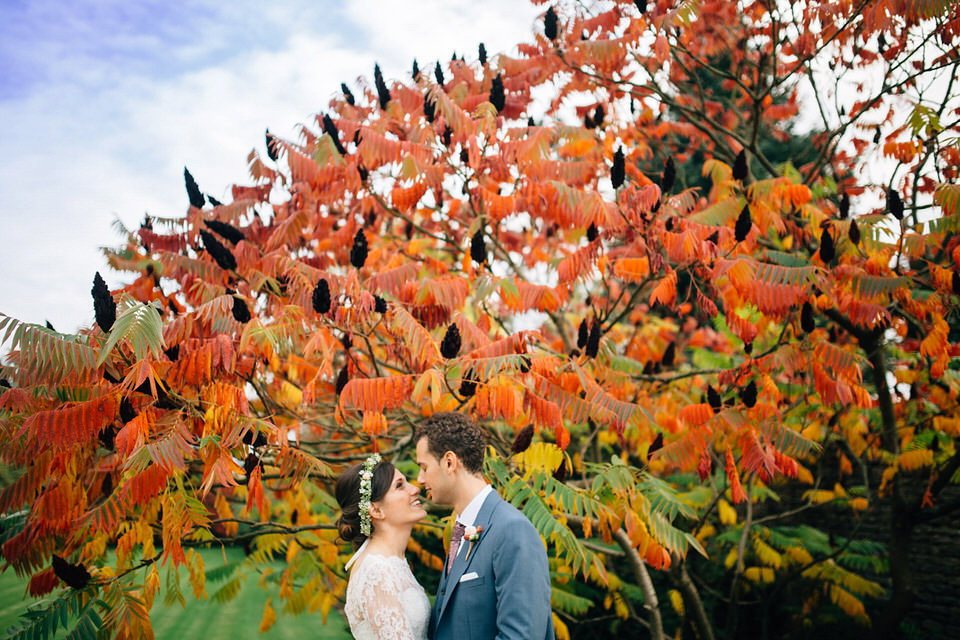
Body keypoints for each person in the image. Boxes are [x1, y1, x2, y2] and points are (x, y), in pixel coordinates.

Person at [415, 411, 554, 640]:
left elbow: (521, 635)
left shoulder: (512, 530)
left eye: (424, 467)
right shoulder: (462, 529)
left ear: (449, 462)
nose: (420, 479)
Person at [336, 453, 430, 640]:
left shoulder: (392, 562)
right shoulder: (377, 571)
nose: (415, 489)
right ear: (376, 510)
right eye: (400, 485)